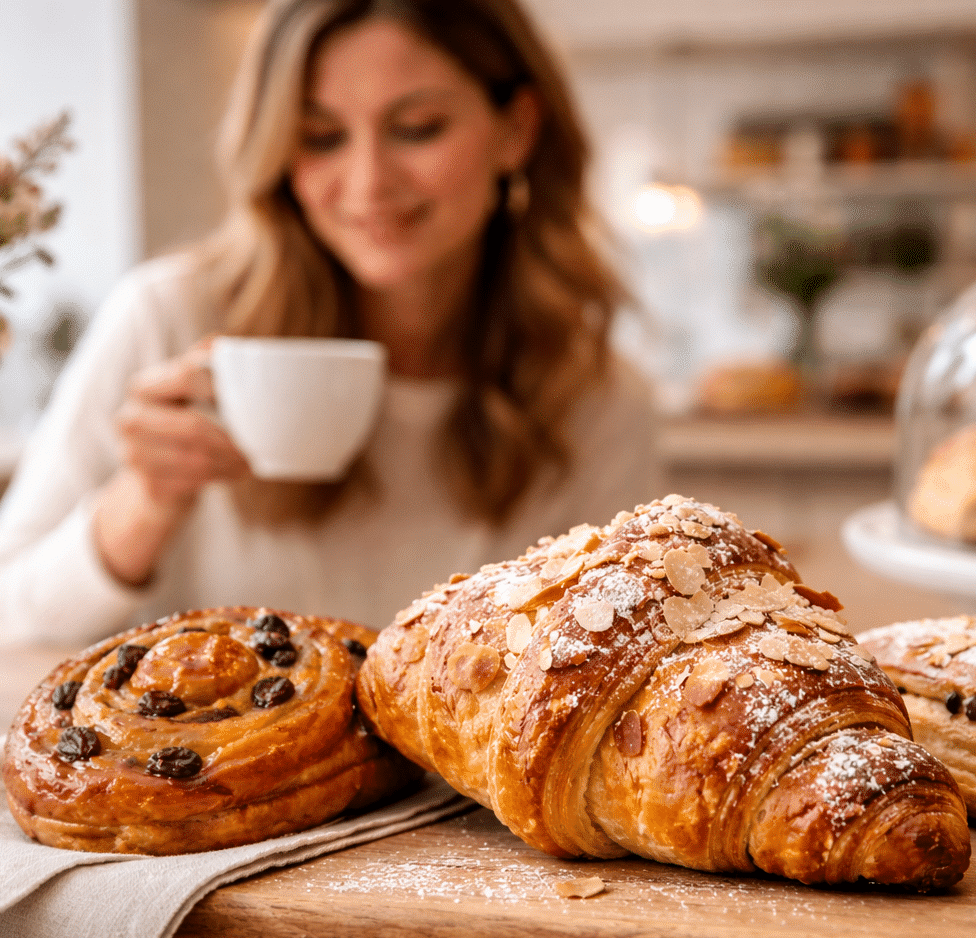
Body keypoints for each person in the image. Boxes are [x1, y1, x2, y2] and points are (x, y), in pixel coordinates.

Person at [0, 0, 657, 648]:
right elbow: (9, 614)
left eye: (418, 127)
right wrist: (141, 504)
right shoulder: (170, 320)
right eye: (321, 137)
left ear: (515, 129)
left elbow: (620, 660)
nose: (367, 181)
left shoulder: (594, 395)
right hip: (213, 756)